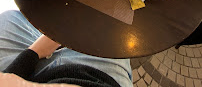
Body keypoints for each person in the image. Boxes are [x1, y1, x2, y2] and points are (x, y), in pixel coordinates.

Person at [0, 10, 133, 87]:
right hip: (98, 76)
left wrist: (34, 52)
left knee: (9, 17)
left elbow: (8, 79)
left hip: (32, 76)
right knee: (110, 24)